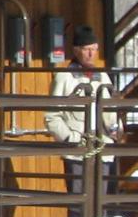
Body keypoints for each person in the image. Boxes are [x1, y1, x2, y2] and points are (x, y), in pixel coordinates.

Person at [49, 26, 115, 197]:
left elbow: (111, 109)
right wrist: (69, 138)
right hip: (77, 150)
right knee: (78, 201)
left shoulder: (103, 76)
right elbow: (52, 115)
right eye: (86, 49)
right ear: (76, 50)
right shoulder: (64, 77)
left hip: (102, 146)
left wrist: (116, 130)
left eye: (94, 49)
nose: (91, 54)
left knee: (100, 200)